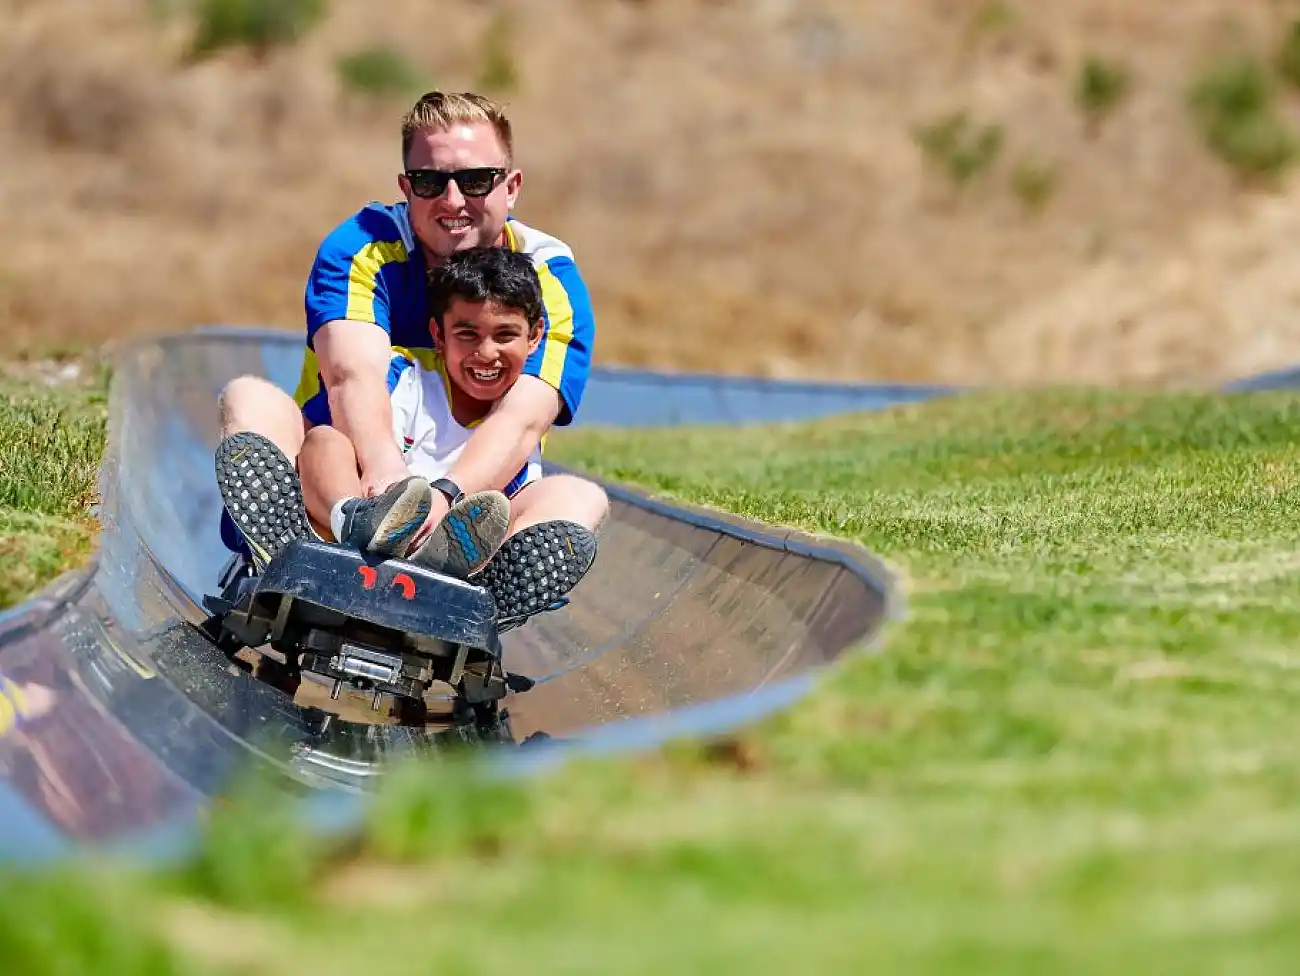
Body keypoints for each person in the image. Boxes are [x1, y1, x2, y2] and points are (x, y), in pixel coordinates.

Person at [213, 90, 608, 621]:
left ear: (511, 187)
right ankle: (287, 549)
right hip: (350, 483)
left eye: (475, 181)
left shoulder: (550, 279)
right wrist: (388, 492)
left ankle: (476, 595)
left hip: (466, 507)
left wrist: (443, 500)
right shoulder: (363, 246)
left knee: (581, 500)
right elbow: (351, 373)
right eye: (430, 182)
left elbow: (522, 420)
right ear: (406, 188)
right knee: (250, 397)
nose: (452, 200)